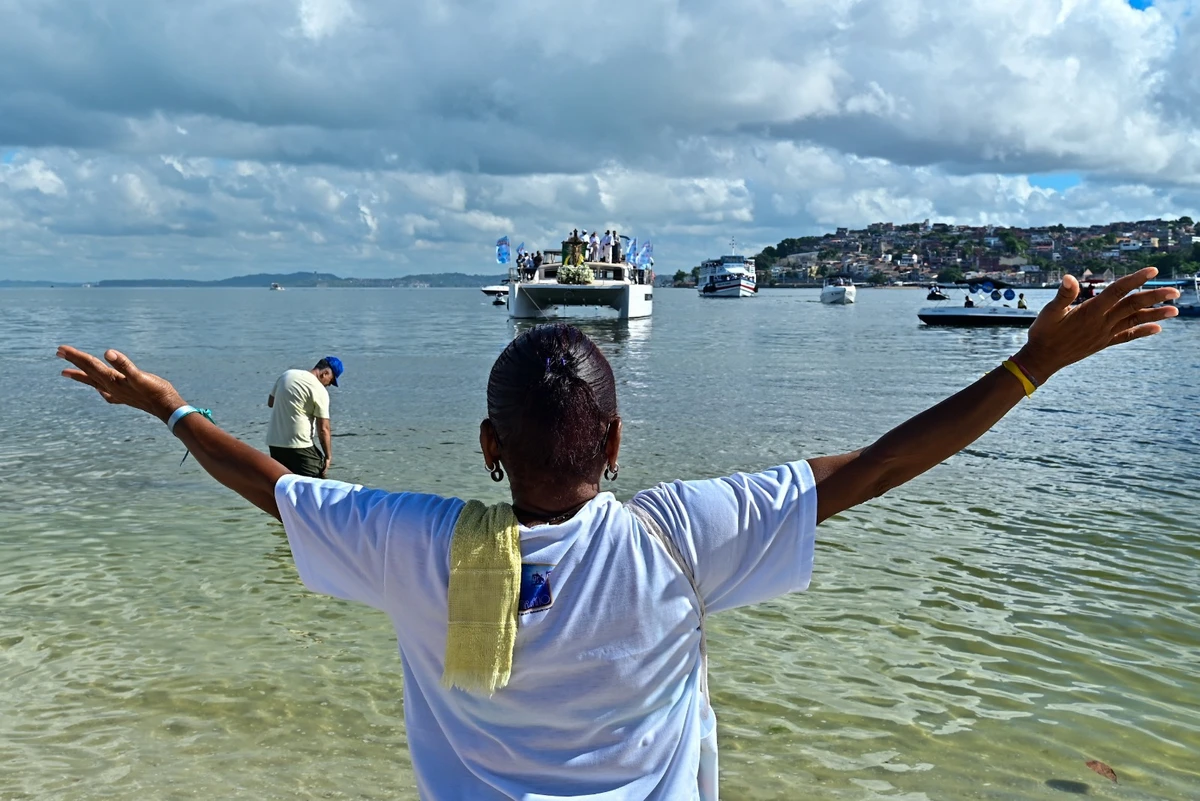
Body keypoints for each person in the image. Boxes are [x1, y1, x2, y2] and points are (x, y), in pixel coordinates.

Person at [55, 269, 1177, 801]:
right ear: (618, 439)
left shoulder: (415, 544)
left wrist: (170, 407)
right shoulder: (682, 538)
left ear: (488, 448)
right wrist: (1032, 364)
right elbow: (881, 465)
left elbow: (271, 486)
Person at [266, 357, 343, 477]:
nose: (328, 385)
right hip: (300, 445)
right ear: (325, 373)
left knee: (284, 484)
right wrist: (328, 457)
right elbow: (324, 429)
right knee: (316, 482)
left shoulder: (287, 375)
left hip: (275, 444)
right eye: (331, 381)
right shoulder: (319, 390)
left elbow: (271, 403)